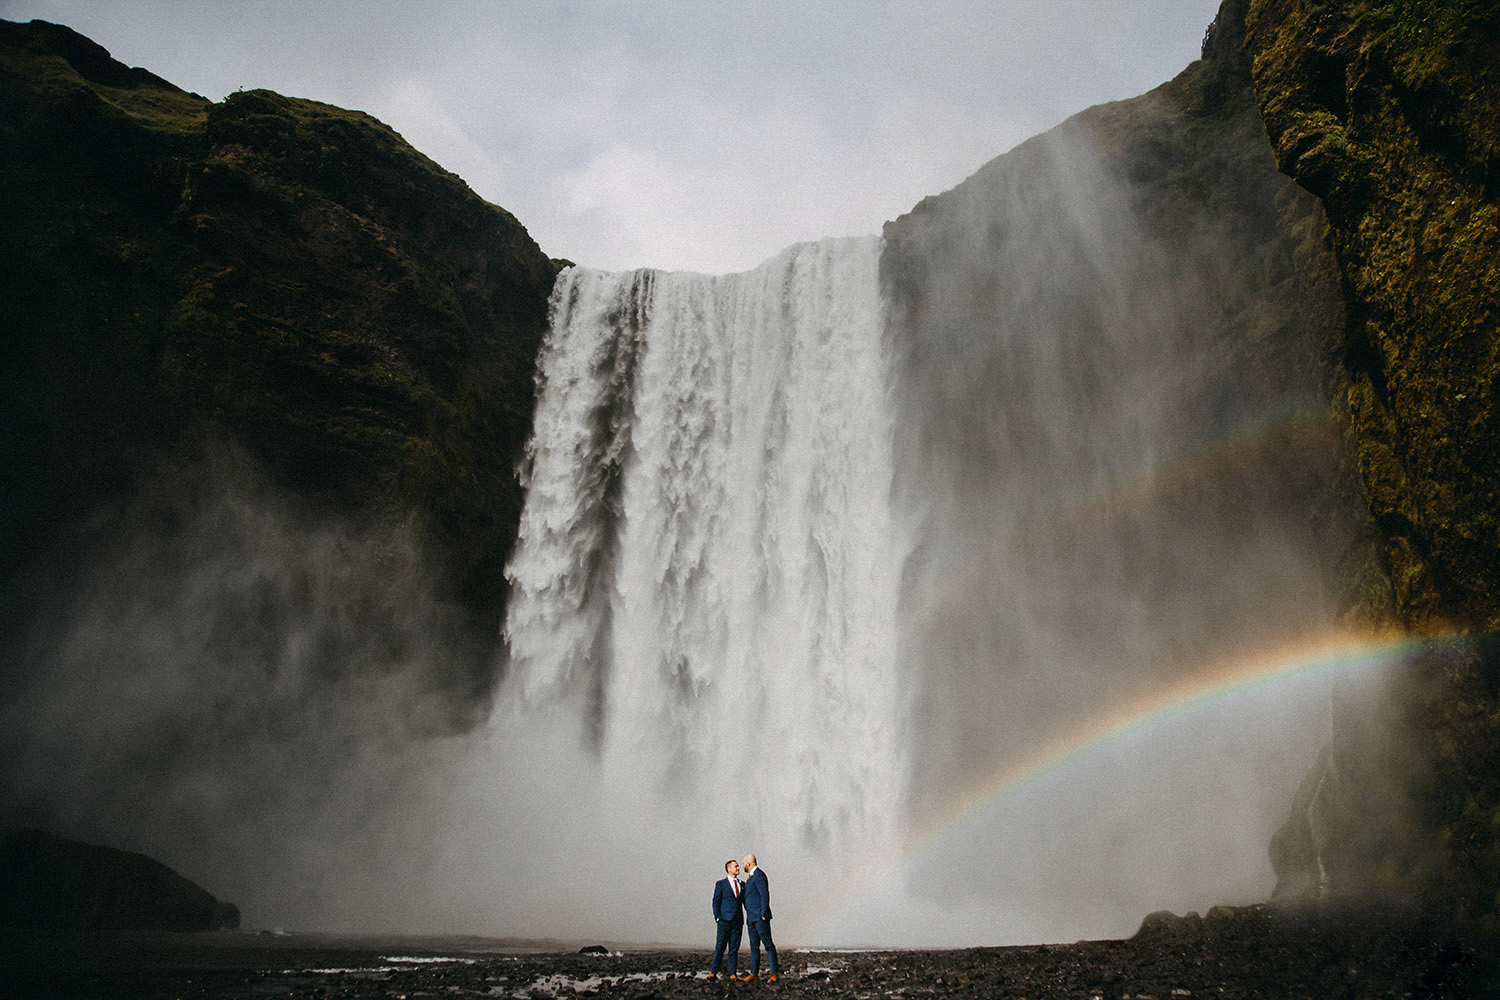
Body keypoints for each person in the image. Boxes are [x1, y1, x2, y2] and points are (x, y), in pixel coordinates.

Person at [738, 853, 778, 982]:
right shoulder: (750, 878)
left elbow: (764, 894)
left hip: (760, 917)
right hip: (751, 918)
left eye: (743, 863)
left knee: (768, 945)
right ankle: (754, 974)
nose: (742, 866)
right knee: (754, 946)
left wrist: (763, 913)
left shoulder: (759, 875)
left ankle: (774, 974)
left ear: (749, 863)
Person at [709, 859, 744, 980]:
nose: (738, 868)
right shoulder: (721, 884)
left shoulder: (742, 884)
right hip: (724, 920)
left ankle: (733, 973)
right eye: (736, 866)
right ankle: (713, 971)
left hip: (737, 921)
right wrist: (718, 917)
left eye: (738, 866)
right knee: (720, 947)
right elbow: (715, 902)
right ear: (729, 869)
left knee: (734, 948)